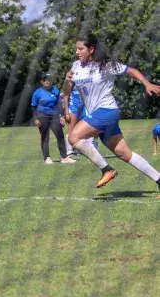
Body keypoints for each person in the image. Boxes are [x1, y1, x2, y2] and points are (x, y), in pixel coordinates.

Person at [63, 32, 160, 190]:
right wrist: (67, 80)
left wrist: (147, 84)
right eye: (77, 49)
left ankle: (106, 170)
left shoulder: (107, 64)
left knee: (74, 136)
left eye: (80, 49)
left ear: (91, 49)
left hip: (107, 110)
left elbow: (131, 71)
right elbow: (67, 91)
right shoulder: (76, 66)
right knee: (125, 154)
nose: (77, 52)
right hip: (98, 115)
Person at [32, 72, 76, 164]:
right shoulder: (37, 93)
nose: (47, 81)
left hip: (55, 115)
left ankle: (64, 157)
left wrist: (62, 116)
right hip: (42, 115)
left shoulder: (55, 90)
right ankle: (47, 158)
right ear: (41, 81)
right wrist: (36, 118)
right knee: (45, 137)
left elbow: (59, 104)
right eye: (44, 80)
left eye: (48, 79)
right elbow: (33, 106)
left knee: (60, 136)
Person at [63, 87, 98, 155]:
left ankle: (84, 149)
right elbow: (66, 96)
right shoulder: (72, 80)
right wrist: (66, 112)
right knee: (71, 127)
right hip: (74, 107)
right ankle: (69, 150)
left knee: (86, 129)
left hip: (85, 106)